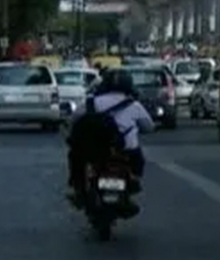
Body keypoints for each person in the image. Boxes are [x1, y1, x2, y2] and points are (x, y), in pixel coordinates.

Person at [66, 69, 156, 206]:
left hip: (94, 151)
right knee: (139, 160)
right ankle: (133, 181)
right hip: (125, 151)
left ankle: (78, 189)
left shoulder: (91, 103)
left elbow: (73, 120)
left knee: (75, 157)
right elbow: (149, 126)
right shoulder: (134, 105)